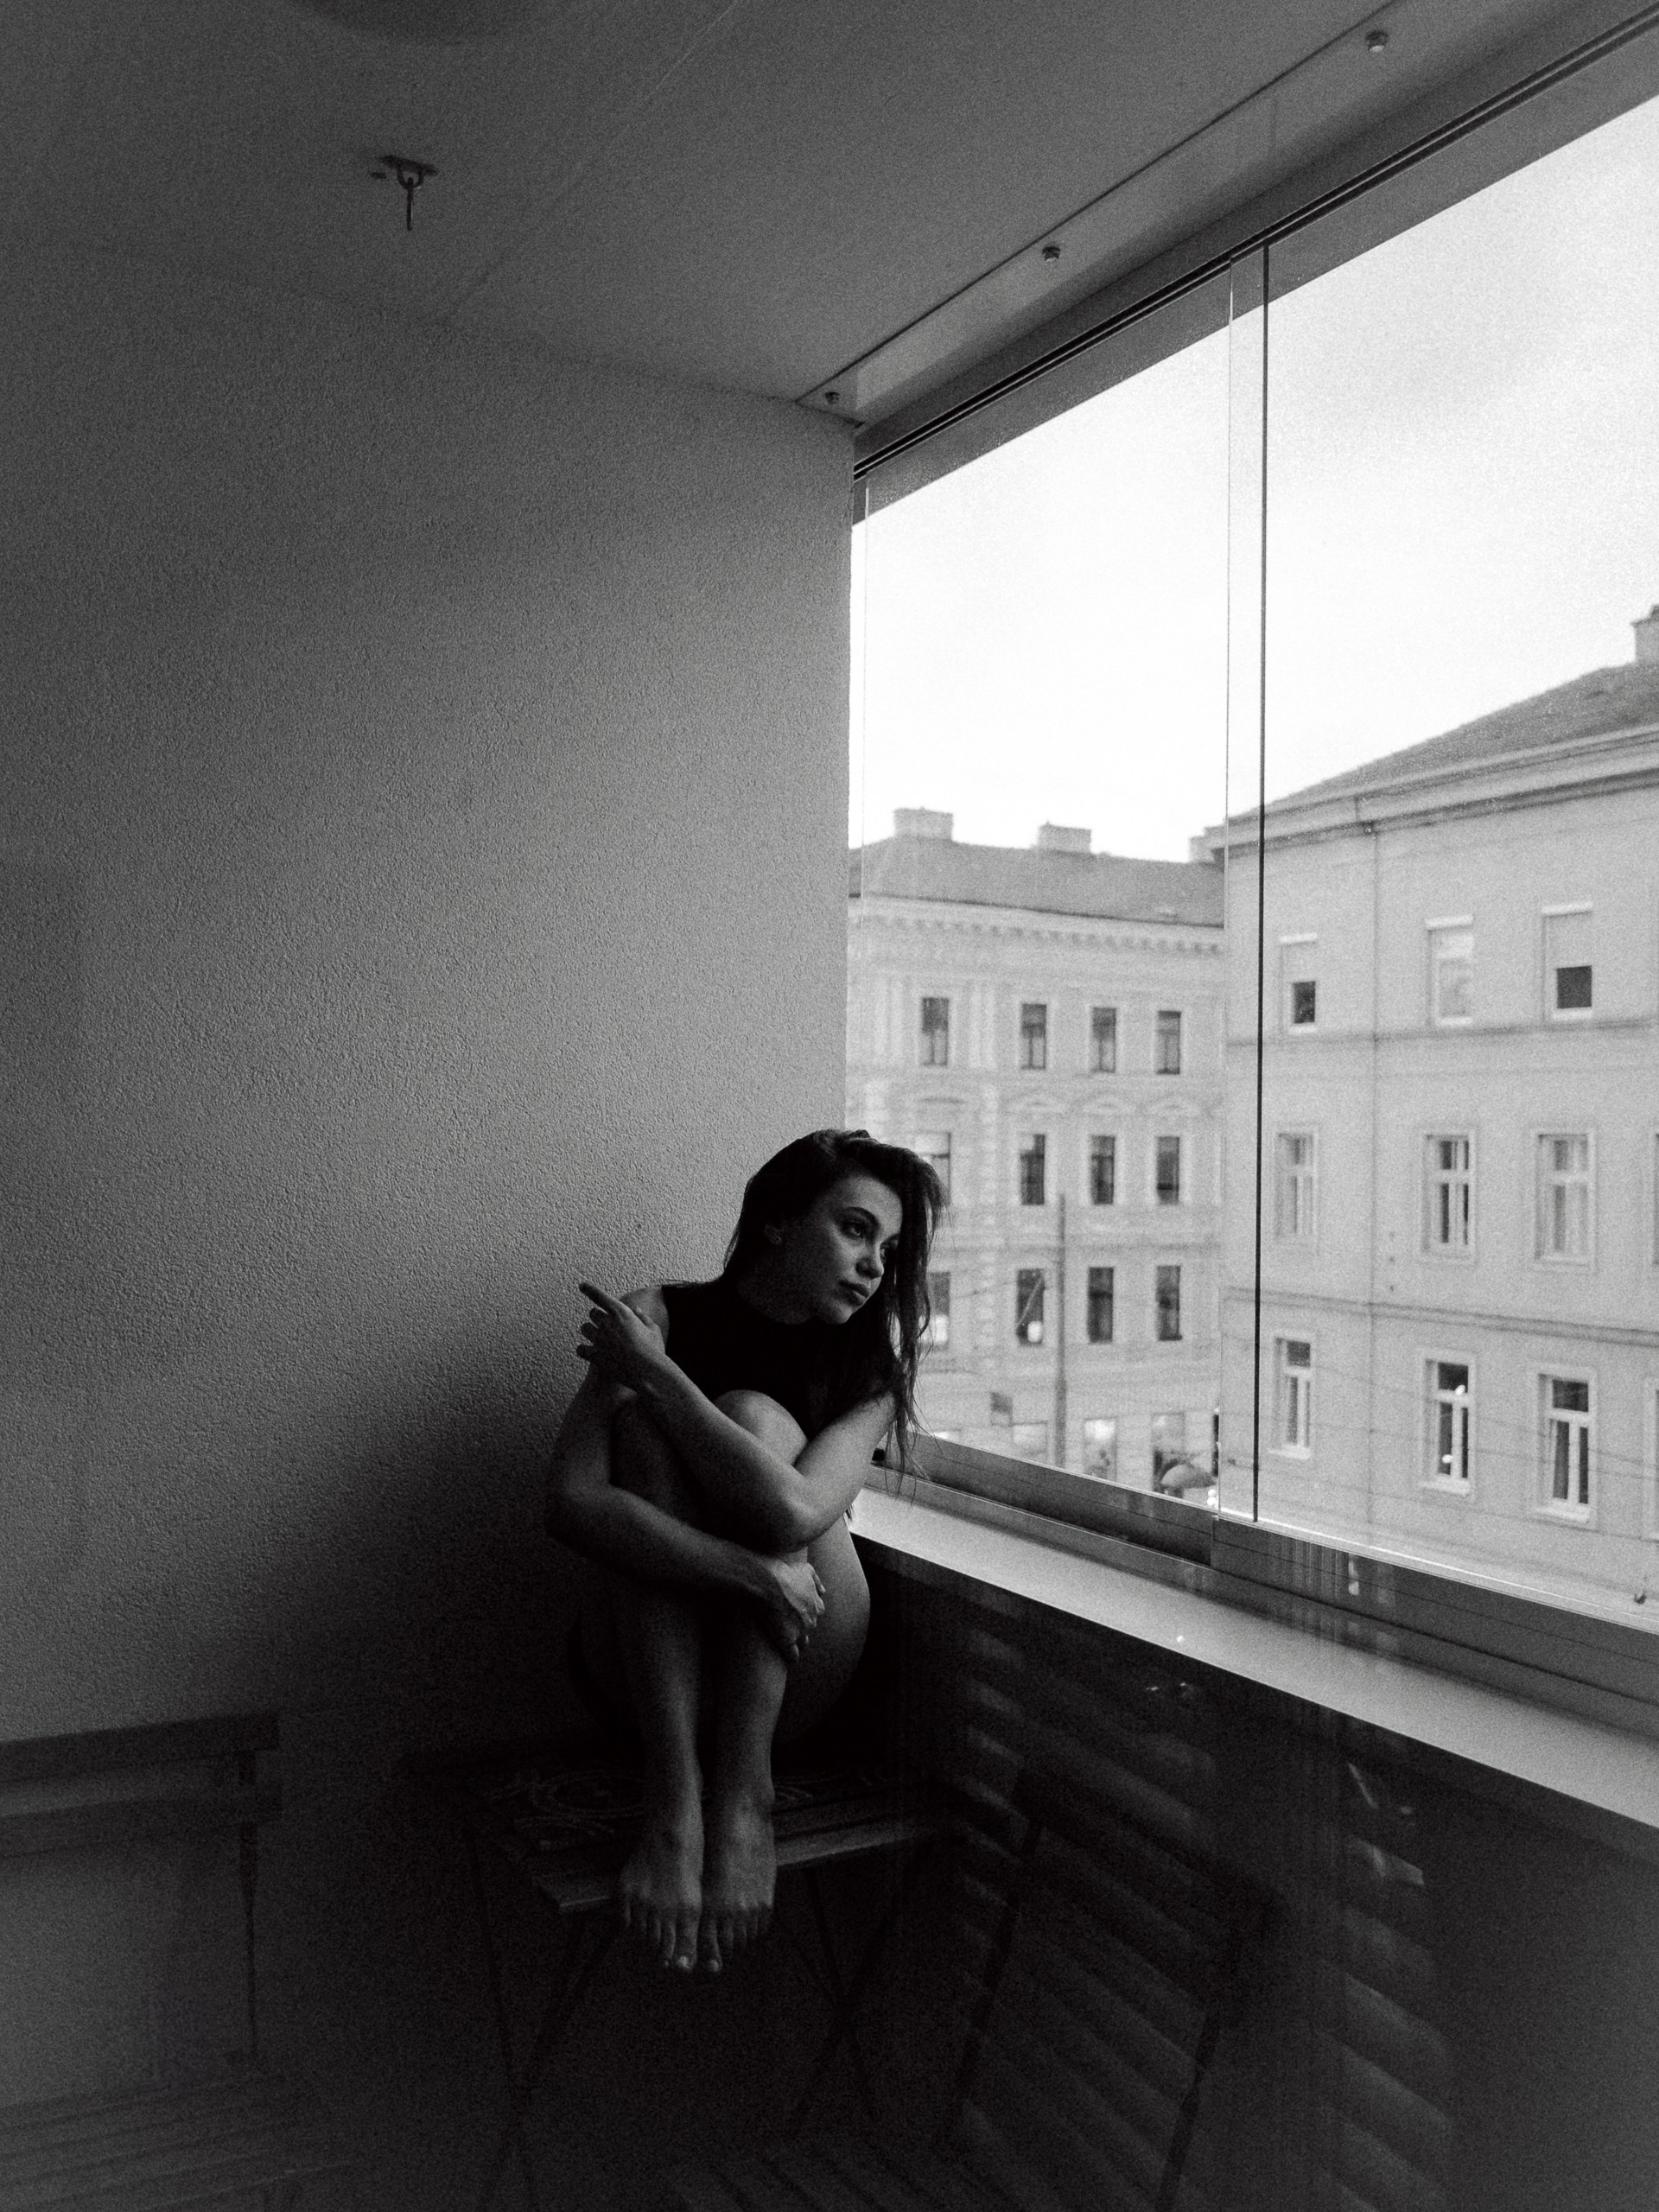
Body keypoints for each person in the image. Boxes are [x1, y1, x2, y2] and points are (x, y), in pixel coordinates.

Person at [544, 1128, 944, 1977]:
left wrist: (660, 1378)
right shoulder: (655, 1316)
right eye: (856, 1228)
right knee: (644, 1441)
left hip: (801, 1661)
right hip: (649, 1674)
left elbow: (792, 1509)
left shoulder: (871, 1373)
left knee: (753, 1419)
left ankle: (744, 1796)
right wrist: (749, 1575)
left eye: (890, 1248)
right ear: (777, 1220)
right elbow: (571, 1503)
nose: (874, 1265)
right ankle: (675, 1800)